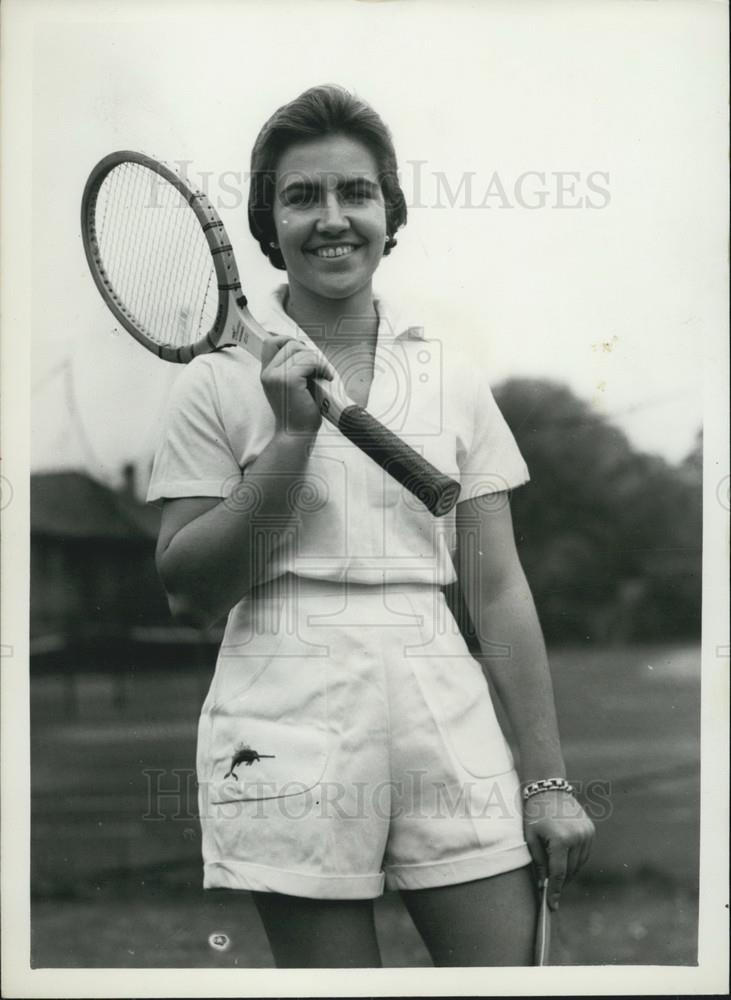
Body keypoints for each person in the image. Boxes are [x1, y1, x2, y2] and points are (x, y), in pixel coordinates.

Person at [147, 84, 595, 968]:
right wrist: (288, 439)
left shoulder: (450, 376)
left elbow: (497, 589)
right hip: (282, 703)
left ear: (391, 210)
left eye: (355, 192)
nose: (332, 219)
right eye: (301, 197)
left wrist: (546, 782)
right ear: (267, 224)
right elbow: (188, 589)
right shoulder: (212, 382)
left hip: (440, 694)